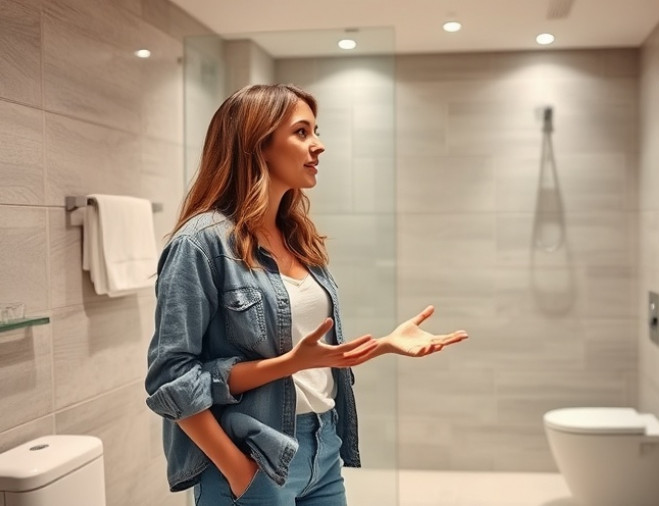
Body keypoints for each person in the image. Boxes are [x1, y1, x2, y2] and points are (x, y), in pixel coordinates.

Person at [144, 83, 468, 506]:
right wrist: (240, 473)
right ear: (258, 144)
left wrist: (386, 344)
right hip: (254, 456)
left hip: (323, 443)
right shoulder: (200, 244)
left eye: (316, 130)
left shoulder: (296, 235)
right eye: (302, 132)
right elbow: (171, 378)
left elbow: (304, 357)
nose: (319, 145)